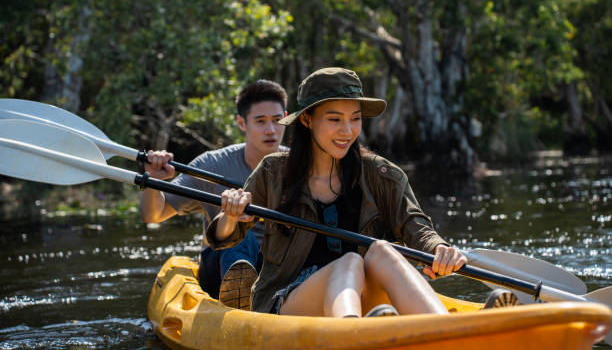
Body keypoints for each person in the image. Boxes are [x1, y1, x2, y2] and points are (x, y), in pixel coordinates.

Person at [206, 67, 515, 317]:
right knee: (350, 262)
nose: (347, 131)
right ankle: (354, 333)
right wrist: (231, 214)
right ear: (307, 119)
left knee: (381, 249)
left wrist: (440, 250)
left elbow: (417, 228)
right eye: (335, 120)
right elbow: (227, 236)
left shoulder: (382, 174)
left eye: (355, 119)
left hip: (369, 298)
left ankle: (446, 330)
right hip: (289, 301)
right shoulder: (274, 172)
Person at [140, 79, 288, 310]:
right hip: (220, 266)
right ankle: (239, 295)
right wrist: (154, 180)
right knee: (239, 237)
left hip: (276, 266)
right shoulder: (211, 165)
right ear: (242, 123)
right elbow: (154, 215)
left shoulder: (300, 166)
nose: (271, 129)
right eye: (260, 121)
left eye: (277, 120)